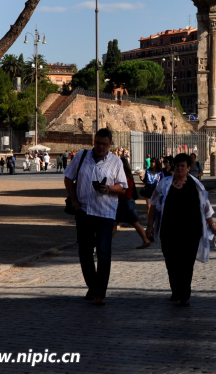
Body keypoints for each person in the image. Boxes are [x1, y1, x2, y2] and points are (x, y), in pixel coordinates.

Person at [63, 128, 129, 306]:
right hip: (83, 211)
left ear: (110, 145)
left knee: (103, 252)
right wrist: (74, 200)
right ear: (94, 141)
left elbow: (123, 188)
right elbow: (68, 178)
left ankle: (100, 293)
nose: (101, 147)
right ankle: (93, 286)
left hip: (105, 213)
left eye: (104, 144)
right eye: (98, 143)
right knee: (84, 252)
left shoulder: (115, 162)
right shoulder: (82, 157)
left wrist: (107, 188)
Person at [147, 153, 216, 307]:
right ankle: (176, 289)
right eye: (177, 165)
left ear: (188, 168)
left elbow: (206, 206)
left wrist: (212, 224)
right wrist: (150, 225)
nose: (179, 168)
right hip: (169, 230)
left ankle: (185, 293)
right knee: (171, 262)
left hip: (191, 231)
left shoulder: (196, 185)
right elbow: (153, 204)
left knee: (187, 263)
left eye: (182, 166)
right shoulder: (164, 184)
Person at [116, 158, 152, 249]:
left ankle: (104, 243)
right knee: (134, 223)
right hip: (129, 200)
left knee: (115, 222)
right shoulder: (129, 175)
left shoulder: (122, 176)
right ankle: (145, 240)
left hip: (124, 201)